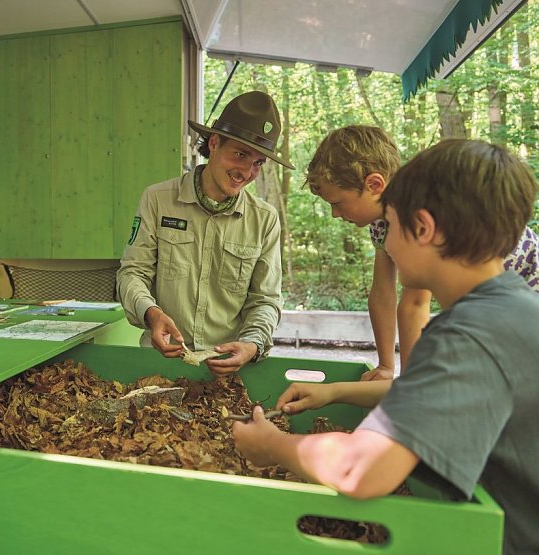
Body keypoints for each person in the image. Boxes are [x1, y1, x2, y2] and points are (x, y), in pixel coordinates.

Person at [233, 139, 539, 554]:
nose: (387, 243)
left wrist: (271, 446)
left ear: (424, 228)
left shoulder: (465, 335)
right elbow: (436, 394)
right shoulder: (516, 311)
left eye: (391, 226)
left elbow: (361, 469)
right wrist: (337, 391)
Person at [306, 126, 539, 380]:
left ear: (374, 185)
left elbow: (415, 304)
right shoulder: (382, 222)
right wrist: (385, 366)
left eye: (337, 203)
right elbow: (382, 292)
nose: (335, 214)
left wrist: (407, 382)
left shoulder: (417, 215)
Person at [116, 91, 293, 375]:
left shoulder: (265, 219)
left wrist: (251, 343)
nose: (246, 171)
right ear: (214, 142)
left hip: (226, 370)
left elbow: (266, 300)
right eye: (240, 154)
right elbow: (132, 273)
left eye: (258, 162)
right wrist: (151, 314)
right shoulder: (158, 199)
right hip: (159, 366)